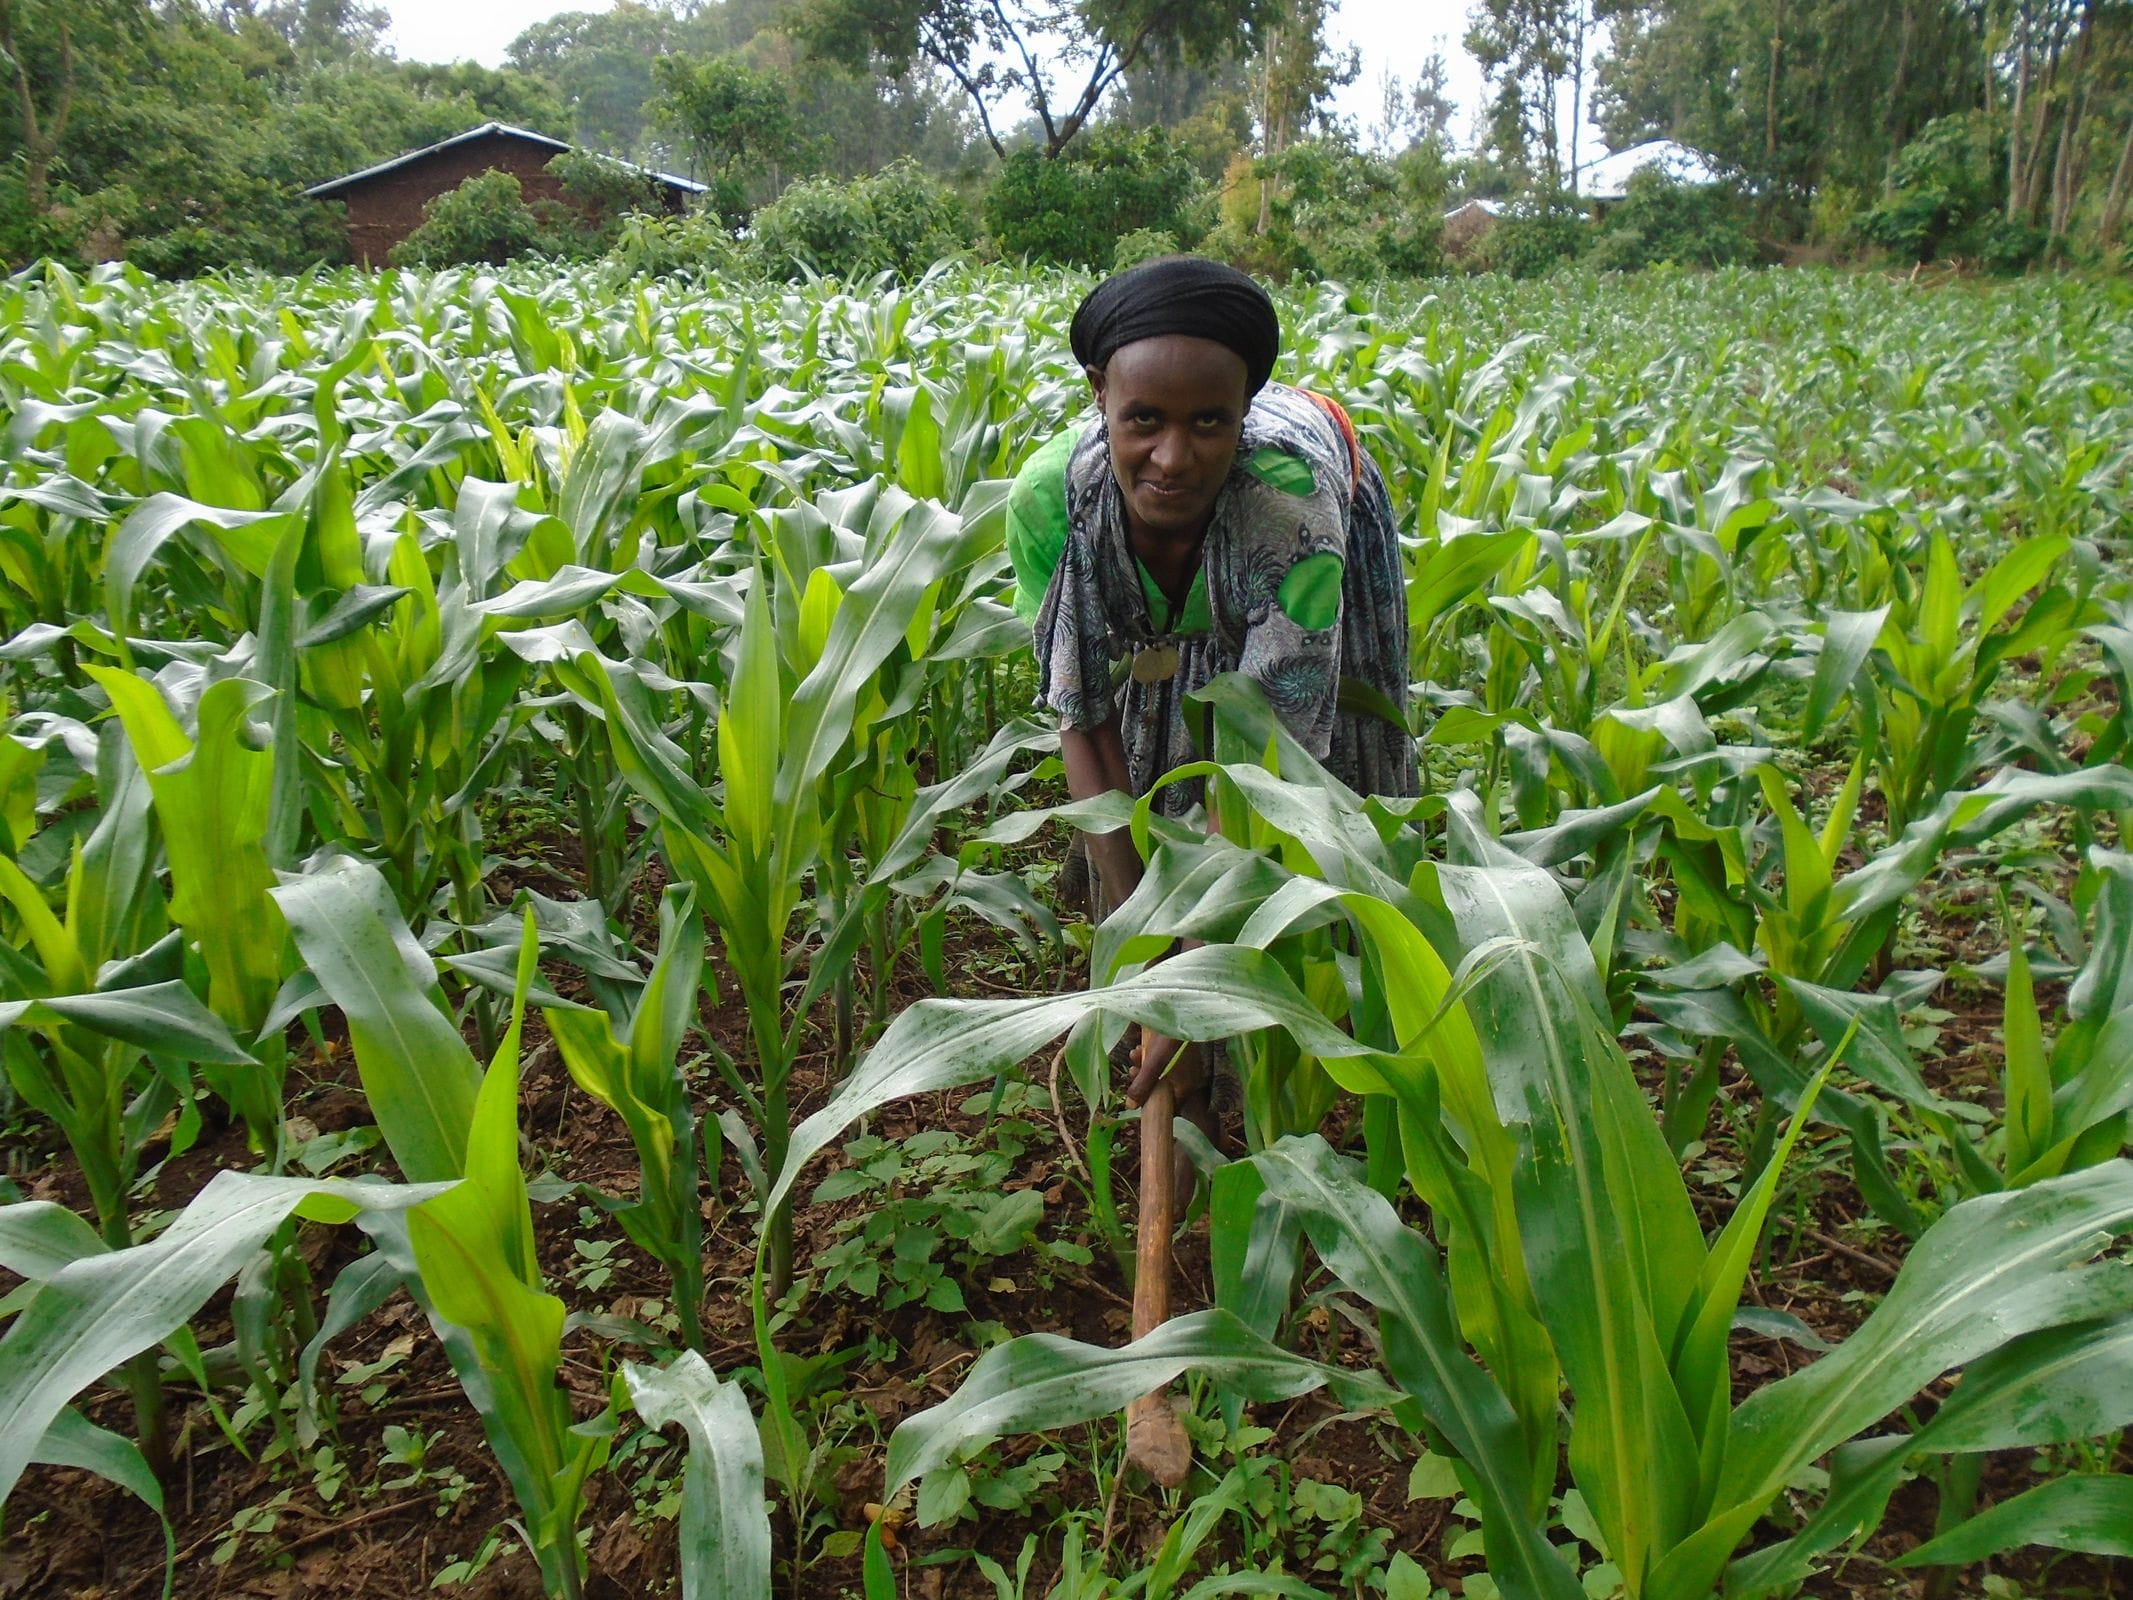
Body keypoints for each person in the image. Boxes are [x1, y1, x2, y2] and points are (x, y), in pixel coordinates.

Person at [1005, 255, 1418, 1134]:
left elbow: (1268, 753)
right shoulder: (1053, 504)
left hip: (1301, 534)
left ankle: (1309, 1033)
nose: (1172, 457)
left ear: (1244, 415)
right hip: (1152, 608)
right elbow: (1082, 713)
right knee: (1148, 790)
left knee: (1323, 790)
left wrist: (1193, 984)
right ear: (1097, 395)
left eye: (1209, 423)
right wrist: (1140, 947)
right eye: (1142, 419)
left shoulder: (1288, 508)